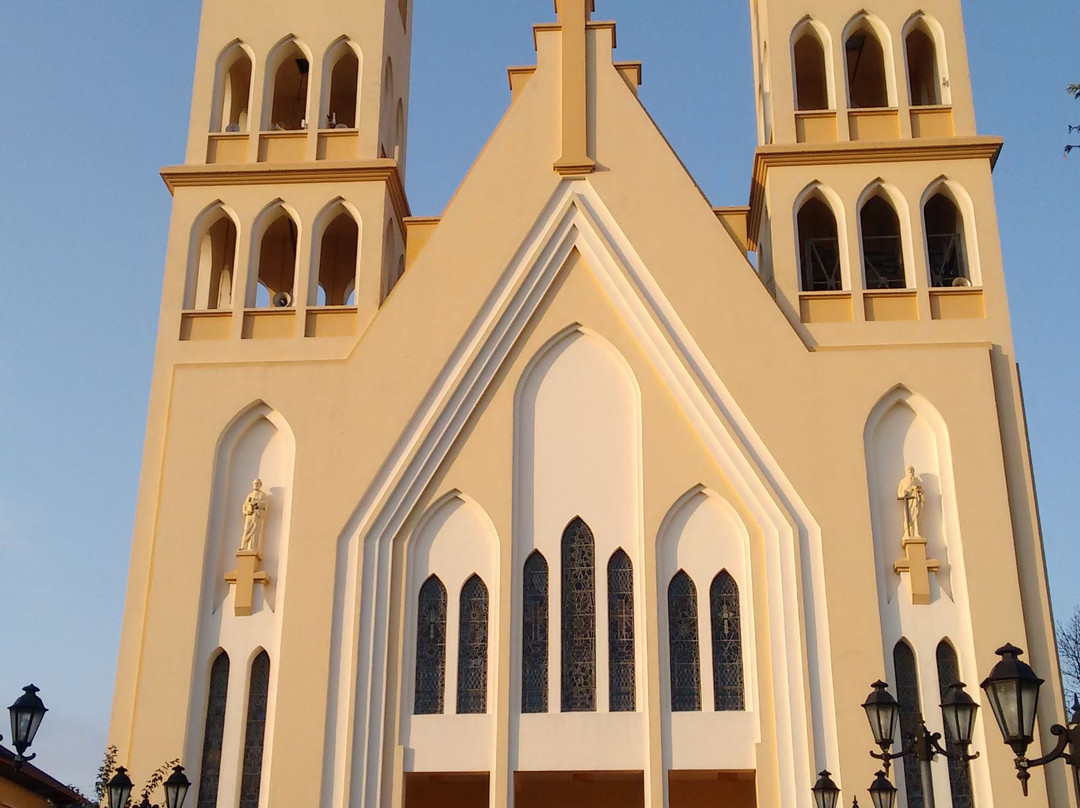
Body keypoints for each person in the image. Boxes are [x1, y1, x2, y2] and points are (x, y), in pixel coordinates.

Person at [240, 479, 269, 552]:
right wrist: (247, 510)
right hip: (250, 515)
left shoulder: (262, 495)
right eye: (255, 484)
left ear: (260, 485)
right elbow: (245, 505)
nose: (256, 485)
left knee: (255, 531)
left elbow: (265, 504)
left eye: (257, 483)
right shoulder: (250, 495)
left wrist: (257, 503)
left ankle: (253, 547)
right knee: (247, 530)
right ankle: (244, 546)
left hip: (257, 515)